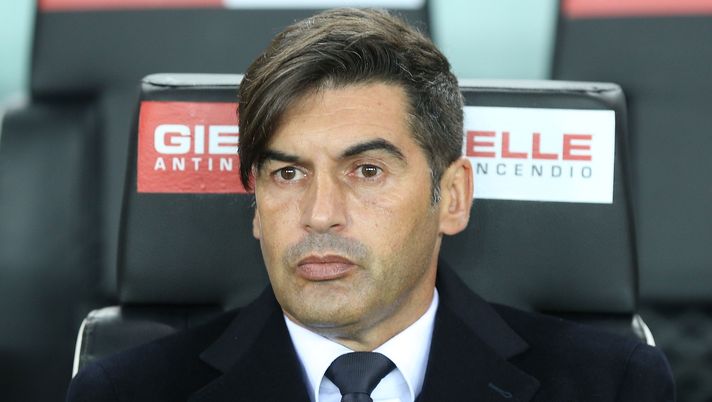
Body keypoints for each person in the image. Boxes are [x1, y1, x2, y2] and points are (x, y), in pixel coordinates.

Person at [67, 8, 675, 402]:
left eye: (366, 171)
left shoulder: (615, 386)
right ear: (255, 205)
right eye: (287, 173)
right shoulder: (124, 393)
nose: (319, 214)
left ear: (452, 197)